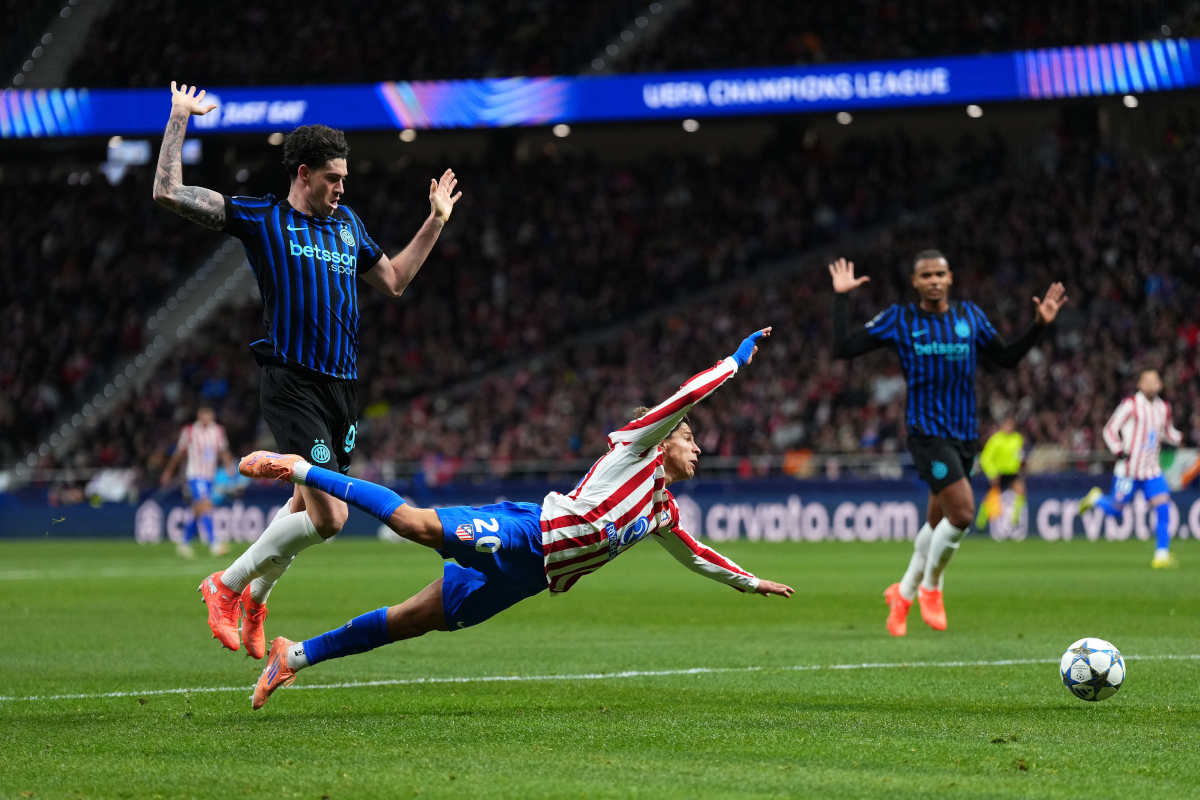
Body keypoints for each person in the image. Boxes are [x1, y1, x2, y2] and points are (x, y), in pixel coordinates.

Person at [237, 329, 795, 710]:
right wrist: (736, 361)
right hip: (528, 532)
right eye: (690, 438)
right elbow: (684, 397)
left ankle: (294, 656)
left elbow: (696, 555)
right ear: (664, 439)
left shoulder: (661, 511)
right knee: (414, 524)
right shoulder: (636, 448)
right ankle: (302, 469)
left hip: (528, 578)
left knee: (411, 619)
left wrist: (750, 583)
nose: (696, 448)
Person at [153, 82, 462, 658]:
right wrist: (178, 118)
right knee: (331, 515)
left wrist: (436, 221)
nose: (342, 187)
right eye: (333, 178)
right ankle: (226, 584)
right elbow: (167, 191)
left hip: (342, 390)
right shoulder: (262, 218)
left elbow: (394, 280)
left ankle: (258, 596)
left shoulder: (349, 227)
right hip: (291, 381)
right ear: (302, 174)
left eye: (344, 178)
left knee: (303, 504)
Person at [829, 252, 1067, 636]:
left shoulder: (969, 317)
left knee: (937, 521)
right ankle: (931, 587)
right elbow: (843, 347)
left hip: (965, 438)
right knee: (962, 515)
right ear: (915, 281)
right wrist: (841, 297)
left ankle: (901, 594)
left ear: (951, 277)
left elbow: (1005, 357)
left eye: (940, 273)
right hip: (927, 436)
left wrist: (1038, 326)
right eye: (926, 275)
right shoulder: (900, 319)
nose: (934, 280)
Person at [1080, 369, 1183, 568]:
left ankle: (1161, 555)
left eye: (1155, 382)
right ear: (1140, 385)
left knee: (1163, 508)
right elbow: (1110, 428)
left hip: (1152, 469)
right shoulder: (1131, 405)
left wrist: (1179, 438)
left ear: (1160, 385)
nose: (1152, 386)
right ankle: (1095, 499)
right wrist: (1118, 450)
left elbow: (1167, 432)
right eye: (1148, 382)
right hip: (1128, 469)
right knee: (1116, 511)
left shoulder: (1164, 408)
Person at [159, 404, 235, 558]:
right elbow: (179, 453)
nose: (206, 418)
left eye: (209, 414)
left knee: (198, 510)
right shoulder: (190, 431)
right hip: (195, 475)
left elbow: (223, 450)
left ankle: (184, 542)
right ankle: (214, 543)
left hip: (210, 476)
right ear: (199, 416)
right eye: (204, 414)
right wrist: (169, 471)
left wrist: (229, 466)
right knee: (205, 505)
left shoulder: (218, 431)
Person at [975, 414, 1026, 534]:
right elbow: (986, 457)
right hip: (998, 473)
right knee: (991, 497)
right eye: (1007, 425)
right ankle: (981, 522)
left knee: (1021, 491)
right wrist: (992, 473)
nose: (1009, 427)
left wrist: (1019, 467)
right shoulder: (996, 439)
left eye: (1011, 425)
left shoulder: (1017, 438)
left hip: (1011, 472)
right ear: (1002, 426)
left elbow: (1019, 455)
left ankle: (1015, 519)